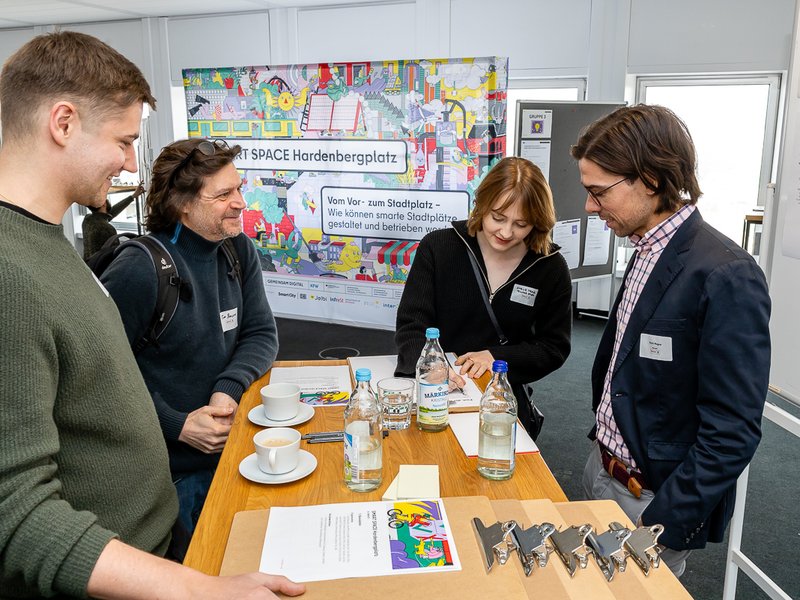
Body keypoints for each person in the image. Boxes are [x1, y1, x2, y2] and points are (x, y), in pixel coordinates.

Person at [0, 31, 303, 599]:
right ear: (62, 123)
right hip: (119, 569)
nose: (131, 162)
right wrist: (197, 590)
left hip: (150, 543)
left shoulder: (45, 248)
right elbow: (14, 511)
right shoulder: (10, 270)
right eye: (123, 139)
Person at [571, 104, 771, 577]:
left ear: (651, 179)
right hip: (601, 469)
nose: (588, 207)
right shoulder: (645, 247)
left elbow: (732, 431)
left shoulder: (727, 275)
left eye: (598, 193)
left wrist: (660, 525)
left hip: (651, 503)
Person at [101, 138, 279, 545]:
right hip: (168, 476)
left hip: (233, 454)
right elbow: (102, 377)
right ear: (182, 204)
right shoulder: (139, 269)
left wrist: (227, 389)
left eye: (238, 189)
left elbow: (260, 333)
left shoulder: (237, 249)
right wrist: (176, 424)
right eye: (223, 195)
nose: (240, 202)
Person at [394, 156, 573, 437]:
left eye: (521, 224)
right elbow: (411, 323)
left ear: (538, 223)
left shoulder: (550, 266)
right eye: (497, 218)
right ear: (481, 205)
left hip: (500, 399)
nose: (505, 232)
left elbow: (553, 348)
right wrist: (431, 367)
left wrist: (496, 358)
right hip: (435, 391)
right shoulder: (439, 247)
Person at [82, 182, 144, 259]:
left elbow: (110, 213)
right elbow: (117, 256)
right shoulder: (107, 229)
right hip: (102, 269)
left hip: (88, 267)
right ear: (103, 204)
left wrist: (133, 196)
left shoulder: (87, 219)